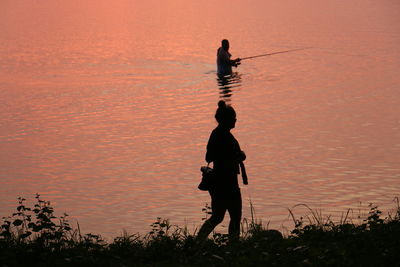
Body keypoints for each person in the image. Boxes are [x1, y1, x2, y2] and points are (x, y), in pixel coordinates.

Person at [197, 100, 247, 242]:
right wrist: (238, 157)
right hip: (226, 182)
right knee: (233, 217)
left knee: (220, 216)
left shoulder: (217, 134)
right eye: (233, 118)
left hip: (221, 182)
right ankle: (233, 246)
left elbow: (209, 156)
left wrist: (237, 156)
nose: (235, 120)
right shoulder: (222, 135)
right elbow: (219, 158)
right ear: (226, 119)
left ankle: (198, 241)